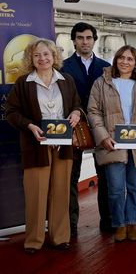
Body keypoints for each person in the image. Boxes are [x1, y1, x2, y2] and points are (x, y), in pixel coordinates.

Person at [6, 39, 82, 254]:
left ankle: (59, 237)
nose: (42, 59)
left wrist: (76, 113)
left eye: (46, 54)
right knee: (36, 194)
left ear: (54, 56)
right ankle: (34, 240)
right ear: (31, 58)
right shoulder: (23, 83)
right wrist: (30, 126)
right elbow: (11, 112)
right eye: (37, 55)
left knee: (61, 193)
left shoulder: (66, 80)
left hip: (63, 145)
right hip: (36, 145)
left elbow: (76, 104)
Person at [87, 45, 136, 243]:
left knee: (135, 186)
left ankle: (132, 222)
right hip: (112, 142)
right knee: (115, 187)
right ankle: (119, 224)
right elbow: (93, 111)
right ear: (115, 59)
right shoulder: (101, 83)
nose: (125, 62)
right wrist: (103, 136)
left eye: (130, 59)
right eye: (121, 57)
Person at [60, 22, 110, 234]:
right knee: (71, 177)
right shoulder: (62, 67)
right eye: (80, 38)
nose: (85, 42)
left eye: (89, 38)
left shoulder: (106, 67)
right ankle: (70, 225)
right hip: (74, 127)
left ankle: (107, 221)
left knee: (106, 176)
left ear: (94, 40)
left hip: (102, 127)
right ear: (74, 41)